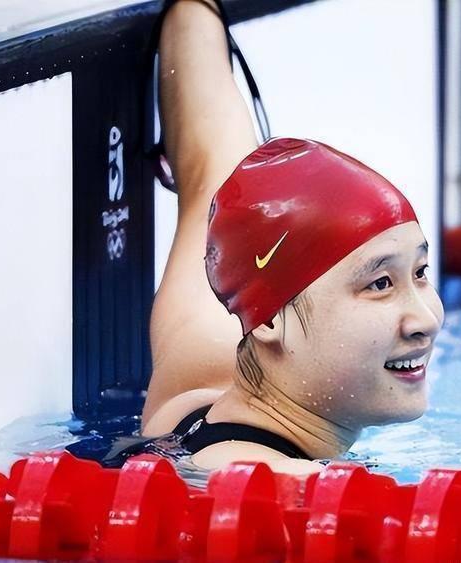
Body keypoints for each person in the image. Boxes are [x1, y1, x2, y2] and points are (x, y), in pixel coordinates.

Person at [141, 0, 444, 473]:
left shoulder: (193, 377)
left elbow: (210, 163)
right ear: (267, 320)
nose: (427, 319)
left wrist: (195, 9)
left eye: (420, 273)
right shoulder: (291, 484)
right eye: (380, 284)